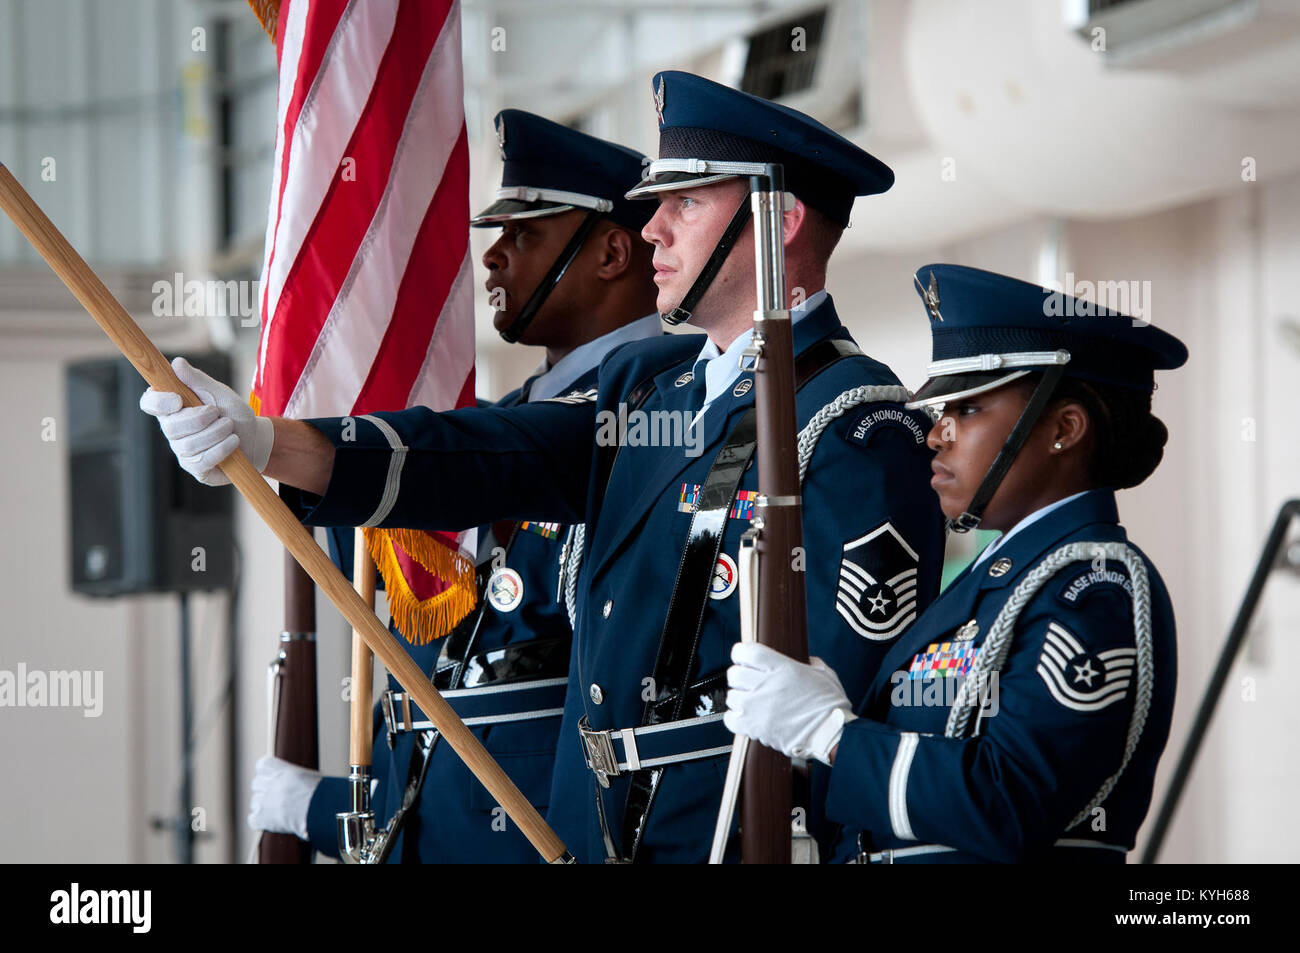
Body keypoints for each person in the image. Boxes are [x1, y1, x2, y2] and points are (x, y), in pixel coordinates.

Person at [141, 71, 946, 864]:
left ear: (784, 220)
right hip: (588, 832)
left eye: (686, 202)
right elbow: (485, 454)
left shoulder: (855, 420)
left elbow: (844, 704)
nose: (654, 229)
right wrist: (270, 442)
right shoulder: (649, 388)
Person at [155, 112, 662, 863]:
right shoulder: (511, 419)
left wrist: (273, 441)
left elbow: (477, 458)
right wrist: (333, 807)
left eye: (523, 236)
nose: (491, 259)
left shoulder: (654, 406)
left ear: (612, 253)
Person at [724, 263, 1186, 863]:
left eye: (966, 411)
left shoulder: (1092, 585)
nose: (934, 436)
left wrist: (834, 736)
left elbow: (1010, 801)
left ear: (1064, 429)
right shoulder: (1000, 577)